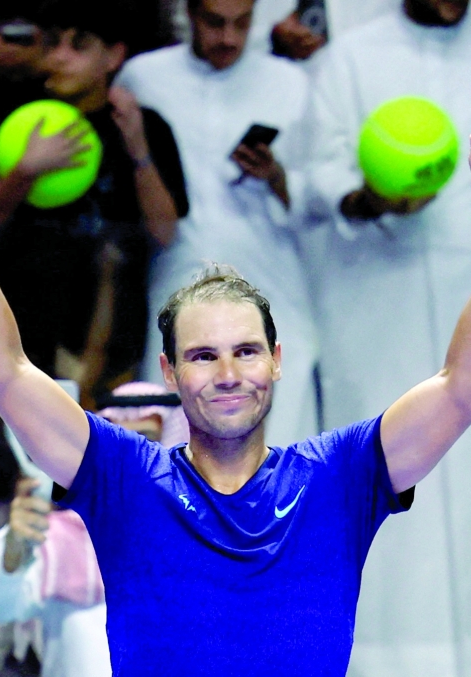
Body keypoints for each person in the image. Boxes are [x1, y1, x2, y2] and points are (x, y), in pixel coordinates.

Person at [0, 73, 471, 675]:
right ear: (171, 373)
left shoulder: (339, 476)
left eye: (245, 350)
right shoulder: (123, 478)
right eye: (204, 356)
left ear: (277, 359)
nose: (229, 371)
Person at [305, 1, 471, 673]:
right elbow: (315, 178)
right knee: (386, 483)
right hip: (372, 306)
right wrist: (371, 198)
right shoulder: (350, 60)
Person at [116, 0, 322, 445]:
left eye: (241, 24)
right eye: (214, 23)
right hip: (175, 278)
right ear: (188, 14)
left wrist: (275, 175)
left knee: (282, 445)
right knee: (176, 439)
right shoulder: (142, 79)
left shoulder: (290, 84)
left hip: (275, 283)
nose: (228, 38)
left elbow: (317, 198)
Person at [0, 1, 189, 407]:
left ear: (114, 56)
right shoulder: (15, 115)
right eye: (53, 44)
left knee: (107, 459)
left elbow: (166, 231)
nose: (59, 57)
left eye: (79, 46)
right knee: (24, 462)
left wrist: (139, 150)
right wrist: (24, 173)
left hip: (111, 333)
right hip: (23, 326)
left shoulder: (144, 124)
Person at [0, 382, 188, 677]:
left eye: (145, 439)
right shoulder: (62, 537)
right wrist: (13, 548)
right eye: (119, 440)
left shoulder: (208, 542)